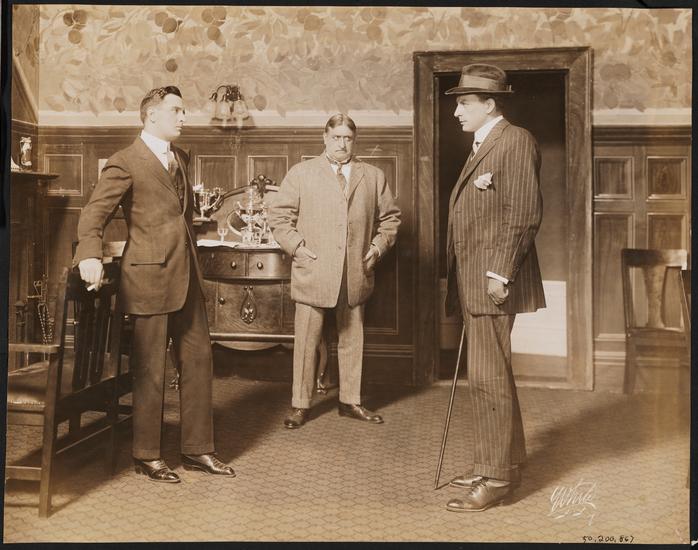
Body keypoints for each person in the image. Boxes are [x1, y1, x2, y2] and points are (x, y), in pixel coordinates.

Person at [73, 86, 235, 483]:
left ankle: (197, 449)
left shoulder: (181, 157)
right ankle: (147, 454)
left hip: (186, 276)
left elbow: (180, 218)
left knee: (198, 361)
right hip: (148, 278)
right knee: (150, 370)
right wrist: (89, 254)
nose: (183, 117)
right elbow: (93, 213)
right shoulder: (125, 161)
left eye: (183, 110)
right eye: (176, 110)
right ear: (151, 116)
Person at [443, 64, 546, 511]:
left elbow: (523, 215)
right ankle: (505, 461)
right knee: (492, 374)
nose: (457, 111)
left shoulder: (514, 140)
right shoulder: (484, 144)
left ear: (490, 104)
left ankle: (496, 477)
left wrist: (499, 274)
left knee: (488, 378)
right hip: (477, 278)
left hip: (491, 281)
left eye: (465, 103)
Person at [268, 114, 401, 429]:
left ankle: (350, 401)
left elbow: (391, 219)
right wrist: (297, 247)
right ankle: (300, 404)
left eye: (348, 138)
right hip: (314, 270)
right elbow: (279, 217)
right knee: (306, 341)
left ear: (355, 141)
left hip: (355, 271)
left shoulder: (373, 176)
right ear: (325, 138)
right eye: (336, 137)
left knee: (352, 338)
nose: (342, 144)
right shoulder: (301, 173)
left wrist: (377, 248)